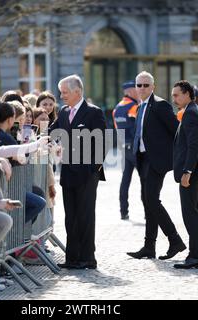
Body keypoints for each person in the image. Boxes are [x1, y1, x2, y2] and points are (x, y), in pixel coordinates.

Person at [49, 74, 107, 270]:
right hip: (68, 173)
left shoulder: (93, 112)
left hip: (87, 174)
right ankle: (72, 257)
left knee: (85, 215)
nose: (62, 95)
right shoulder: (64, 112)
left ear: (77, 91)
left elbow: (103, 143)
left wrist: (94, 169)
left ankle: (88, 258)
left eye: (65, 92)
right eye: (61, 92)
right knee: (70, 216)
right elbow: (51, 132)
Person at [126, 72, 186, 261]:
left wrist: (171, 155)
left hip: (156, 161)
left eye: (145, 85)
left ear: (153, 87)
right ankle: (149, 246)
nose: (142, 88)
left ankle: (175, 240)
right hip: (142, 159)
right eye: (139, 85)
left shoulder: (160, 105)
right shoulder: (140, 106)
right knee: (146, 200)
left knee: (151, 199)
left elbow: (177, 131)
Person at [172, 80, 198, 269]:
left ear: (187, 94)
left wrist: (187, 171)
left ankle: (196, 256)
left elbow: (193, 146)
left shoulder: (191, 114)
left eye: (177, 95)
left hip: (192, 173)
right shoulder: (196, 111)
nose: (174, 98)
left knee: (191, 213)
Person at [112, 80, 139, 220]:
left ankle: (123, 211)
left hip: (124, 148)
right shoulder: (134, 107)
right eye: (136, 89)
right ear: (129, 91)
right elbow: (138, 128)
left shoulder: (116, 108)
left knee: (125, 180)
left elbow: (117, 128)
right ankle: (149, 211)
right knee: (145, 180)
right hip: (135, 149)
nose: (138, 91)